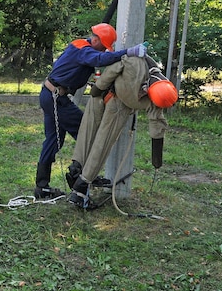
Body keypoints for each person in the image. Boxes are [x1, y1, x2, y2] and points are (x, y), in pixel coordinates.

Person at [34, 23, 147, 199]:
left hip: (50, 95)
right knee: (87, 131)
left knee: (53, 140)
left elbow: (92, 62)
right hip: (56, 98)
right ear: (95, 40)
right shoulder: (84, 51)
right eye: (103, 47)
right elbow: (99, 60)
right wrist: (128, 52)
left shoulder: (80, 45)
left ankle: (42, 187)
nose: (103, 51)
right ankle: (81, 176)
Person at [66, 55, 178, 209]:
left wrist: (98, 88)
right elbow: (157, 126)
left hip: (102, 96)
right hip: (112, 102)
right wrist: (98, 87)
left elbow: (157, 125)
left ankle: (76, 171)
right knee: (100, 143)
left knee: (90, 136)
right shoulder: (141, 70)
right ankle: (81, 185)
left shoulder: (154, 92)